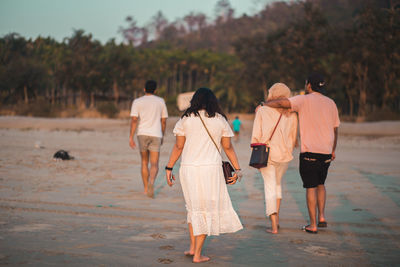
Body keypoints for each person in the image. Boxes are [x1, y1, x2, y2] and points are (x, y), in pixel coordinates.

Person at [165, 87, 243, 263]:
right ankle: (198, 255)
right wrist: (237, 170)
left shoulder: (185, 119)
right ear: (213, 101)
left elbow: (178, 147)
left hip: (188, 168)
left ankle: (193, 248)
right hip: (210, 170)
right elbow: (228, 147)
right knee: (205, 210)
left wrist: (169, 168)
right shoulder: (219, 119)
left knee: (193, 208)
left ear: (194, 100)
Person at [264, 73, 339, 234]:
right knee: (321, 184)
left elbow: (282, 103)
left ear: (309, 85)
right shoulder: (331, 103)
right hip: (326, 152)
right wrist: (333, 149)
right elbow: (335, 129)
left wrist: (266, 103)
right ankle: (322, 217)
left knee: (310, 187)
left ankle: (312, 225)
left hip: (310, 151)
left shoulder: (303, 99)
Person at [251, 83, 298, 234]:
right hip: (284, 155)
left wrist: (255, 149)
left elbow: (256, 135)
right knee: (277, 186)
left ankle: (274, 225)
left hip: (267, 153)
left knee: (269, 187)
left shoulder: (262, 110)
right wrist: (287, 150)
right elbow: (293, 138)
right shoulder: (292, 113)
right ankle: (276, 219)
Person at [129, 80, 168, 198]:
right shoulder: (160, 101)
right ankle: (151, 182)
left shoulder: (137, 101)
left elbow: (134, 120)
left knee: (144, 162)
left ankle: (146, 189)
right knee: (155, 163)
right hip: (156, 134)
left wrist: (131, 136)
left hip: (142, 134)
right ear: (156, 90)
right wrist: (162, 134)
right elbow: (164, 120)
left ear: (144, 89)